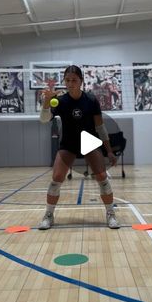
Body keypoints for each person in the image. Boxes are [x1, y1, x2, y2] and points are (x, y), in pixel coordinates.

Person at [39, 65, 120, 230]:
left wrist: (109, 151)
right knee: (56, 179)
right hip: (68, 144)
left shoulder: (90, 100)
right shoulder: (60, 101)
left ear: (81, 81)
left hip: (89, 142)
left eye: (74, 80)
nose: (70, 83)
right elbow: (44, 119)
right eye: (67, 80)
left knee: (103, 178)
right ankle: (48, 215)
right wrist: (46, 103)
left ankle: (111, 214)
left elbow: (100, 127)